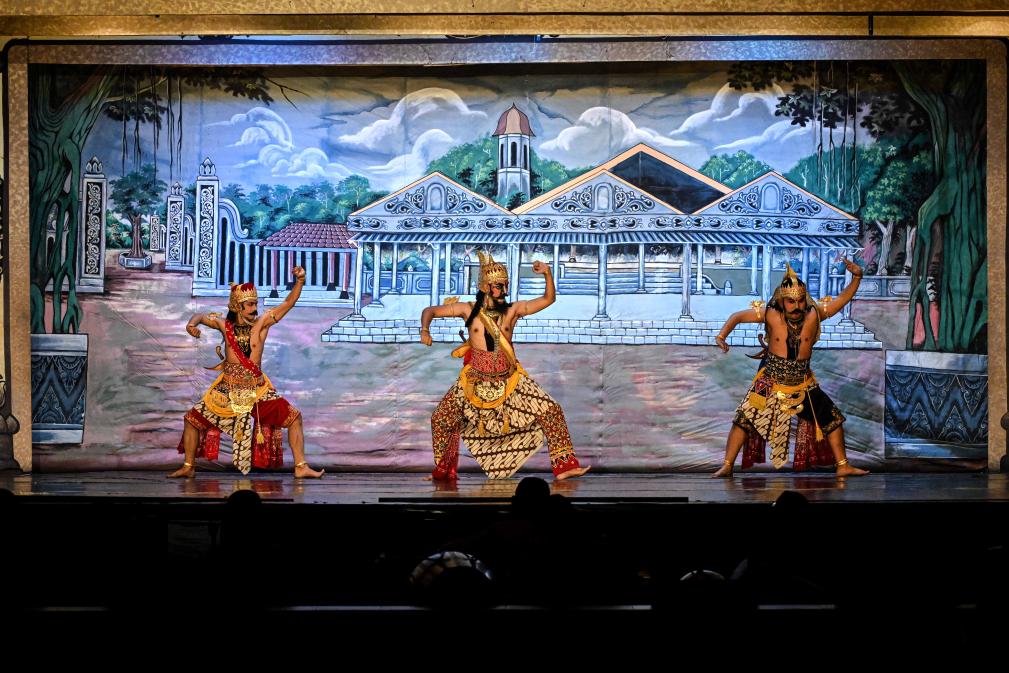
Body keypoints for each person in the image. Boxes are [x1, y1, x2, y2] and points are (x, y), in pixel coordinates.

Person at [420, 250, 590, 480]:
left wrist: (548, 274)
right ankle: (444, 472)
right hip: (474, 380)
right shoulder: (467, 310)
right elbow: (430, 311)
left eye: (505, 285)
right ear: (485, 287)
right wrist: (425, 329)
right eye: (499, 286)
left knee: (551, 410)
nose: (504, 290)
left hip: (510, 379)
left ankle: (565, 468)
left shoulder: (512, 311)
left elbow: (548, 299)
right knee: (441, 418)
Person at [712, 258, 869, 478]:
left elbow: (842, 300)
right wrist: (721, 336)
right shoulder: (770, 314)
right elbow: (737, 317)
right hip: (770, 379)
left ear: (805, 300)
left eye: (800, 301)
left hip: (802, 382)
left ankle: (843, 465)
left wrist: (857, 277)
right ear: (782, 301)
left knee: (832, 419)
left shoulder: (815, 314)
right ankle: (728, 465)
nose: (796, 306)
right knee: (744, 419)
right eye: (790, 302)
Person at [168, 267, 323, 479]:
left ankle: (301, 467)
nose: (255, 308)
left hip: (256, 389)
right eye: (250, 304)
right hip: (228, 389)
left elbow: (288, 303)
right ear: (237, 306)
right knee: (191, 420)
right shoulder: (224, 325)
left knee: (294, 418)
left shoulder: (262, 324)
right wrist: (191, 325)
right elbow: (201, 316)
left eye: (255, 304)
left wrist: (300, 281)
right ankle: (189, 466)